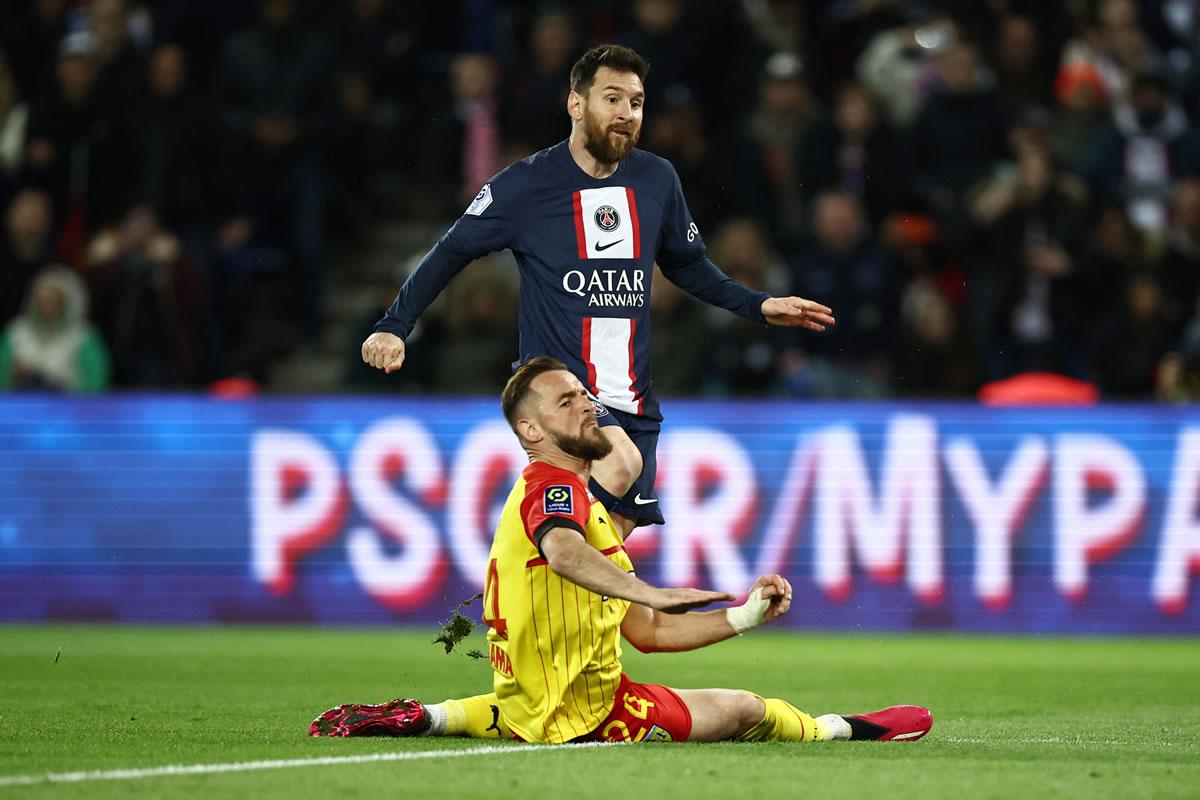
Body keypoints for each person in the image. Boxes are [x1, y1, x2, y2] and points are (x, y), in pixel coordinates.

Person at [311, 357, 932, 744]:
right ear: (530, 432)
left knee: (524, 712)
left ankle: (436, 716)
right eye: (565, 401)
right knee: (743, 709)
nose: (586, 406)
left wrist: (745, 615)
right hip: (593, 718)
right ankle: (846, 730)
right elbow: (561, 552)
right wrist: (649, 587)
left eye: (585, 396)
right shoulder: (549, 489)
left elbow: (651, 632)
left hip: (538, 705)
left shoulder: (591, 514)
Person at [362, 44, 834, 540]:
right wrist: (395, 325)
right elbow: (450, 252)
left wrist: (758, 304)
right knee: (617, 466)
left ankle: (531, 597)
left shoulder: (657, 179)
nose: (627, 113)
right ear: (576, 104)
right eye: (613, 99)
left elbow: (689, 268)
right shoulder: (525, 186)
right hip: (561, 392)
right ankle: (525, 571)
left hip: (635, 399)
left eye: (636, 102)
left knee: (606, 565)